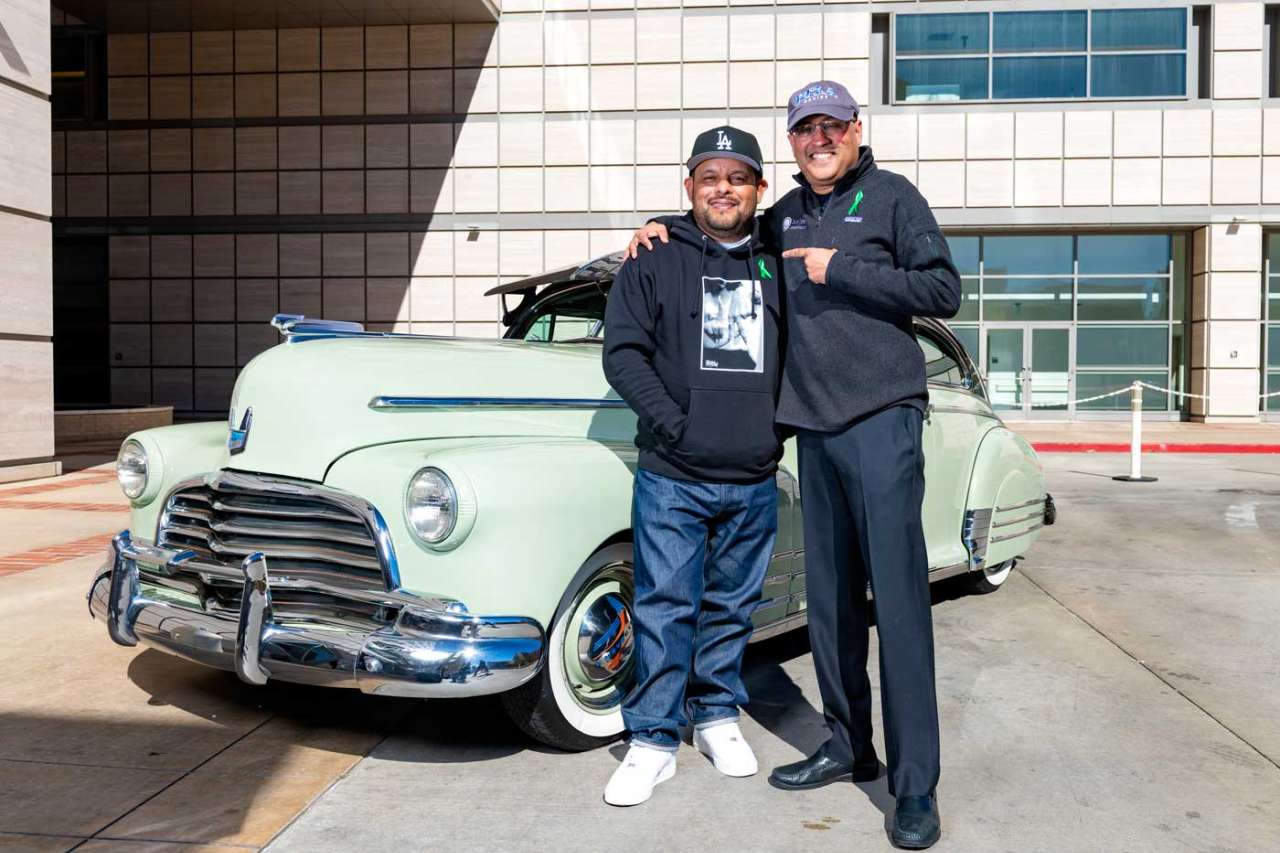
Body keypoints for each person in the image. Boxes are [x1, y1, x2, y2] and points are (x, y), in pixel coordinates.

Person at [627, 82, 961, 848]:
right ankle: (848, 744)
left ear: (854, 130)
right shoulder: (781, 216)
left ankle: (913, 787)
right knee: (832, 606)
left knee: (900, 608)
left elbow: (944, 288)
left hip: (882, 419)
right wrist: (656, 229)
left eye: (831, 126)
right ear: (791, 144)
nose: (819, 138)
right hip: (812, 429)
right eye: (805, 128)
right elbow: (720, 226)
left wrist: (840, 270)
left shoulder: (892, 196)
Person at [601, 125, 783, 807]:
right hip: (673, 474)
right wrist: (676, 422)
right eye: (710, 176)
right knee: (663, 604)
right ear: (690, 188)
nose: (724, 188)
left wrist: (775, 428)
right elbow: (623, 353)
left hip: (754, 474)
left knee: (732, 606)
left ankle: (715, 715)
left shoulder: (782, 258)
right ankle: (651, 736)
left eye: (738, 176)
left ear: (759, 189)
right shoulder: (653, 258)